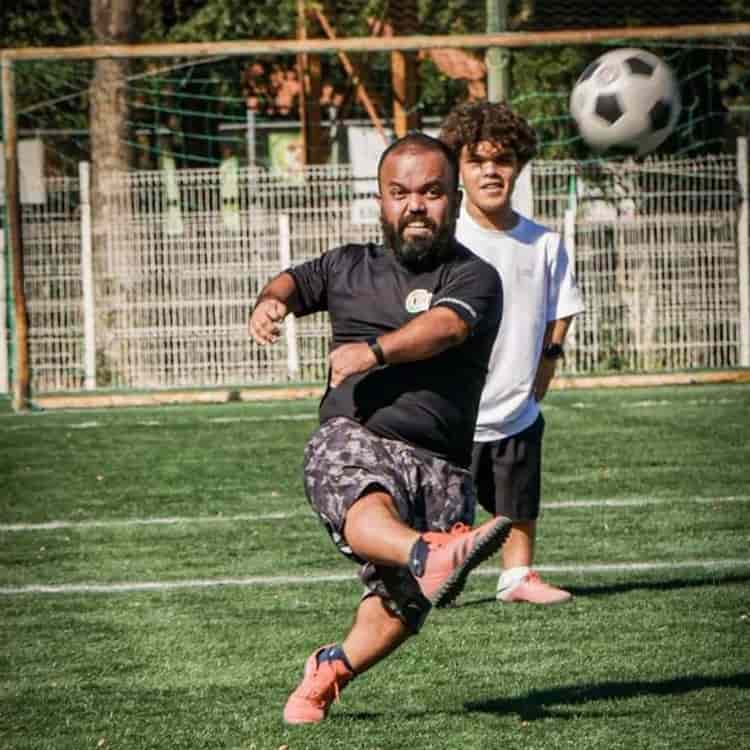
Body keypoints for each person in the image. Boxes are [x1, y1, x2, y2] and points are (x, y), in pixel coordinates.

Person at [248, 133, 510, 724]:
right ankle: (425, 549)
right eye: (401, 193)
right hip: (357, 434)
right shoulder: (348, 265)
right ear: (381, 201)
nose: (416, 205)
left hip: (442, 466)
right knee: (362, 491)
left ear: (455, 198)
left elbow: (444, 329)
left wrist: (375, 351)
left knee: (403, 607)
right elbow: (295, 279)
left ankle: (328, 671)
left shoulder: (475, 278)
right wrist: (272, 301)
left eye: (432, 192)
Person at [439, 101, 585, 605]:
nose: (490, 172)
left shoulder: (543, 242)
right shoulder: (447, 240)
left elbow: (560, 307)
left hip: (515, 400)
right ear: (458, 167)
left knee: (518, 493)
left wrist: (549, 360)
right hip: (451, 406)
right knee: (441, 502)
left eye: (502, 160)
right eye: (477, 161)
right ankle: (438, 569)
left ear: (519, 166)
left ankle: (517, 576)